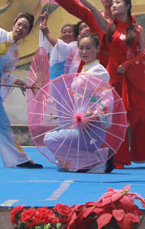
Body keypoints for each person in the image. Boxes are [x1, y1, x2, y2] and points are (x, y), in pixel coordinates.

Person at [48, 0, 145, 169]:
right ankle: (113, 157)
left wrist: (130, 64)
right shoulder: (101, 20)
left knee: (140, 115)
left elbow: (140, 49)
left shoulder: (133, 24)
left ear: (122, 1)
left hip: (130, 75)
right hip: (102, 71)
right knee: (110, 115)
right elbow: (80, 9)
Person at [0, 12, 42, 168]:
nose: (20, 28)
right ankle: (12, 159)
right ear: (14, 23)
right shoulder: (0, 34)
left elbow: (6, 73)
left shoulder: (16, 52)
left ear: (28, 32)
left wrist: (15, 81)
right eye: (19, 24)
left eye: (25, 27)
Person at [43, 32, 115, 173]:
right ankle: (99, 157)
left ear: (97, 49)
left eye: (88, 48)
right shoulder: (85, 69)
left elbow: (107, 99)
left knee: (49, 138)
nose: (84, 52)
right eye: (81, 48)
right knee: (62, 165)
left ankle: (95, 162)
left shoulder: (98, 71)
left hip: (92, 129)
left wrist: (92, 115)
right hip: (80, 126)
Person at [39, 12, 79, 79]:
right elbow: (45, 45)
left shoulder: (76, 45)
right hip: (53, 77)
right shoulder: (56, 44)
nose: (66, 34)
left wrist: (47, 32)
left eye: (70, 32)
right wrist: (44, 22)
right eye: (64, 32)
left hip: (68, 79)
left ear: (75, 35)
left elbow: (64, 48)